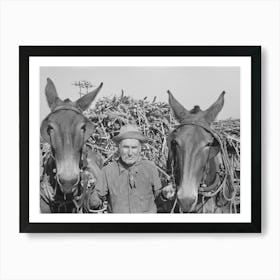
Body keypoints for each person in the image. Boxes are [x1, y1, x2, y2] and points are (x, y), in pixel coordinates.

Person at [87, 124, 175, 213]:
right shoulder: (108, 171)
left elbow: (158, 201)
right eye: (126, 147)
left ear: (140, 149)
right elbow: (94, 202)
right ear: (119, 147)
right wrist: (92, 199)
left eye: (134, 147)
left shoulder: (150, 168)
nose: (130, 153)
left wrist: (164, 195)